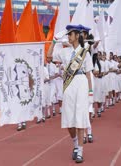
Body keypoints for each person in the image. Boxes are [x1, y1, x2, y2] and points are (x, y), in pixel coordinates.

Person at [47, 24, 93, 164]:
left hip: (81, 82)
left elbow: (88, 73)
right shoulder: (65, 52)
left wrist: (90, 92)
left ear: (77, 36)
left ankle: (80, 151)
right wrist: (54, 41)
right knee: (68, 119)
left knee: (79, 117)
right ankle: (75, 143)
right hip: (68, 84)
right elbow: (49, 57)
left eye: (70, 34)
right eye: (68, 34)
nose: (68, 36)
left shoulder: (85, 52)